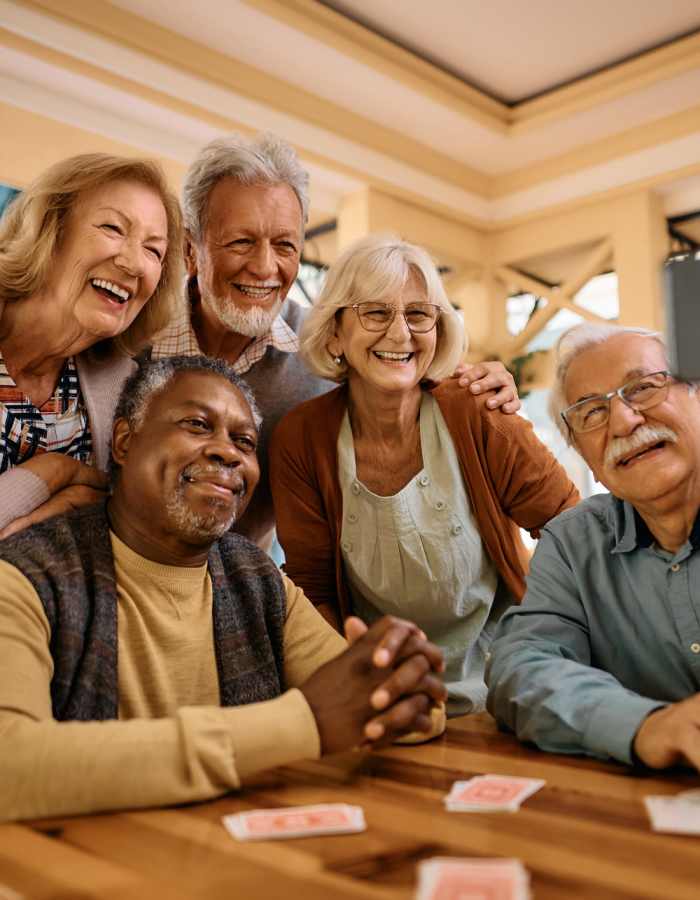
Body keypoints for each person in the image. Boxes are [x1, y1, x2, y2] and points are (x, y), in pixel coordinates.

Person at [0, 355, 446, 822]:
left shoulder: (257, 579)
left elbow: (372, 706)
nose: (227, 452)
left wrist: (406, 681)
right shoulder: (27, 576)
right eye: (197, 424)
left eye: (245, 441)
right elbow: (11, 767)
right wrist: (302, 724)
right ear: (126, 442)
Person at [151, 132, 521, 548]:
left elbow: (408, 366)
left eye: (285, 245)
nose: (264, 267)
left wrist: (483, 386)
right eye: (242, 242)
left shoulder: (327, 342)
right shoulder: (131, 338)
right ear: (188, 249)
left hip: (242, 586)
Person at [269, 234, 579, 716]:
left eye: (418, 314)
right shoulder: (301, 438)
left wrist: (536, 647)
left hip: (508, 687)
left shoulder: (477, 408)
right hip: (385, 695)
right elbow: (315, 592)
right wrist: (359, 687)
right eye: (375, 313)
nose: (400, 334)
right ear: (334, 332)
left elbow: (571, 531)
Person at [487, 322, 700, 771]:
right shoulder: (572, 543)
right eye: (591, 413)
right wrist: (644, 726)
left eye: (642, 388)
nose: (624, 421)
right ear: (584, 456)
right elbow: (520, 668)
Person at [0, 152, 182, 538]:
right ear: (51, 229)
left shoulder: (126, 389)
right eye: (113, 228)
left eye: (154, 250)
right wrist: (53, 473)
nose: (134, 264)